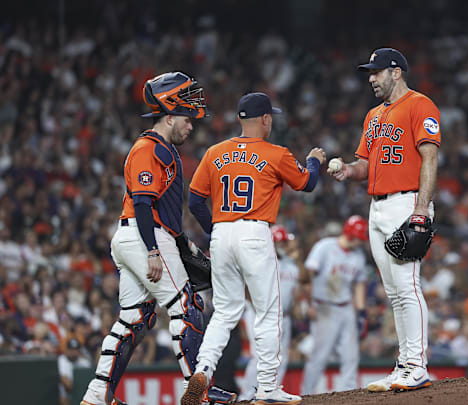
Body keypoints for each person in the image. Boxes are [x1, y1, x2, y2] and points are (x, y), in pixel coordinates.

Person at [81, 72, 235, 405]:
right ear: (168, 116)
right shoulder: (147, 147)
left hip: (139, 235)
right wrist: (153, 249)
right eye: (186, 118)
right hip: (142, 234)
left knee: (135, 318)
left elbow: (162, 212)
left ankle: (96, 396)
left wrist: (182, 245)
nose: (191, 125)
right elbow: (141, 202)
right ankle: (200, 393)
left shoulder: (160, 148)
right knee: (188, 307)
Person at [181, 92, 326, 405]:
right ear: (266, 119)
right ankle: (267, 387)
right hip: (254, 232)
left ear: (239, 119)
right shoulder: (276, 153)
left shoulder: (214, 152)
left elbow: (194, 201)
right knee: (268, 313)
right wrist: (314, 160)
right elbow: (308, 184)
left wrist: (217, 230)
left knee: (224, 312)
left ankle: (203, 370)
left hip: (221, 234)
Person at [328, 48, 440, 392]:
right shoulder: (373, 115)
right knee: (394, 292)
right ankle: (405, 363)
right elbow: (365, 164)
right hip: (377, 205)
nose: (372, 79)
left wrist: (421, 208)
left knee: (407, 286)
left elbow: (430, 158)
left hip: (406, 202)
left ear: (396, 72)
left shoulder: (420, 105)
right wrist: (349, 169)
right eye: (369, 73)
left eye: (377, 72)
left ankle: (418, 365)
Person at [300, 215, 368, 394]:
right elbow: (308, 277)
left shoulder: (358, 255)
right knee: (319, 356)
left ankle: (350, 394)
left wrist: (361, 312)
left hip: (345, 307)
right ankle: (306, 393)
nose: (361, 243)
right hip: (324, 307)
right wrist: (311, 304)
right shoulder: (325, 247)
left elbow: (359, 284)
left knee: (351, 356)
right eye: (359, 238)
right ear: (351, 235)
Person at [238, 224, 301, 400]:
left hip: (284, 316)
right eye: (280, 242)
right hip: (260, 313)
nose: (282, 246)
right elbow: (246, 288)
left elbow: (301, 281)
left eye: (283, 243)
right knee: (259, 355)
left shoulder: (289, 263)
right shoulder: (259, 260)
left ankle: (270, 395)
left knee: (281, 357)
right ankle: (247, 395)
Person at [58, 338, 91, 405]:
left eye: (76, 349)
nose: (74, 352)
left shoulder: (84, 363)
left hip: (82, 394)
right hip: (66, 395)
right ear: (66, 350)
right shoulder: (61, 360)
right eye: (71, 349)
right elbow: (67, 384)